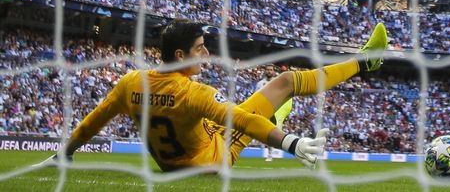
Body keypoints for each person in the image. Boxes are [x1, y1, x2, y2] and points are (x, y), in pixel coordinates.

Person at [38, 19, 388, 172]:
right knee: (285, 82)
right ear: (181, 56)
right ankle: (363, 64)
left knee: (246, 110)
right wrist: (293, 143)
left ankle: (277, 115)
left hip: (174, 162)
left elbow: (93, 121)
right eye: (201, 49)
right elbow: (242, 119)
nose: (206, 54)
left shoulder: (130, 82)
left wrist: (64, 155)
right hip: (211, 161)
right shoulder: (195, 93)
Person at [255, 64, 294, 162]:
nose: (269, 71)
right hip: (261, 110)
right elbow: (255, 97)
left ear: (273, 71)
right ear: (265, 71)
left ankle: (270, 154)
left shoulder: (276, 83)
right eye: (267, 70)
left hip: (272, 111)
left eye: (270, 70)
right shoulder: (260, 84)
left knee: (270, 132)